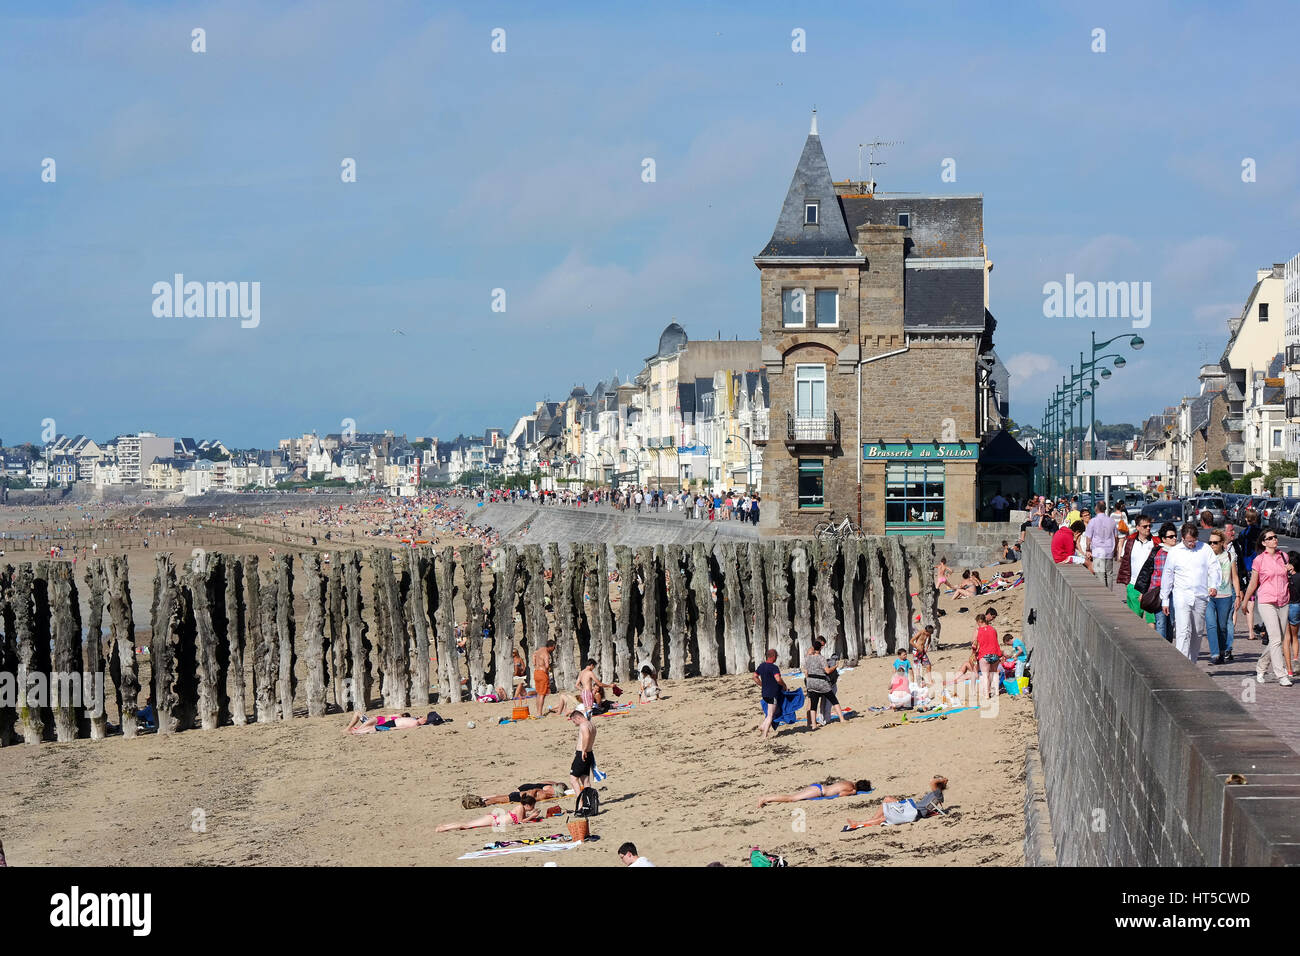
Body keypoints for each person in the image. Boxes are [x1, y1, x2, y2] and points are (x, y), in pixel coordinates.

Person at [1159, 522, 1218, 663]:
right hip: (1181, 595)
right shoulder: (1174, 552)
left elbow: (1214, 568)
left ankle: (1192, 662)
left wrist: (1213, 585)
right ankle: (1182, 664)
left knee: (1197, 632)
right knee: (1183, 631)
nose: (1192, 544)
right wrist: (1165, 599)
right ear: (1183, 538)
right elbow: (1168, 575)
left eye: (1193, 541)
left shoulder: (1205, 549)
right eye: (1188, 541)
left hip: (1200, 596)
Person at [1241, 529, 1293, 686]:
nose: (1274, 540)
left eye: (1275, 537)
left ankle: (1261, 667)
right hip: (1266, 600)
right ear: (1264, 542)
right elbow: (1253, 583)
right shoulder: (1259, 560)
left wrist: (1290, 569)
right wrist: (1244, 601)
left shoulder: (1283, 556)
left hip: (1283, 600)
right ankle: (1281, 674)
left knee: (1278, 639)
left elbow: (1289, 575)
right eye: (1270, 538)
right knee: (1276, 638)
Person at [845, 776, 948, 828]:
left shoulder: (938, 794)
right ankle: (871, 820)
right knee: (887, 799)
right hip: (911, 807)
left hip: (913, 812)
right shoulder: (936, 793)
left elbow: (932, 782)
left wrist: (942, 780)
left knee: (885, 818)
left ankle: (859, 823)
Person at [1205, 529, 1241, 667]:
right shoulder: (1206, 556)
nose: (1212, 545)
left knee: (1222, 626)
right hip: (1209, 596)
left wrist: (1237, 595)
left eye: (1215, 542)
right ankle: (1214, 653)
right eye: (1210, 542)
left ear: (1221, 543)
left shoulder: (1229, 556)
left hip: (1225, 595)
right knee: (1211, 624)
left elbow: (1235, 577)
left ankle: (1221, 651)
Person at [436, 793, 544, 831]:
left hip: (495, 819)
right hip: (494, 820)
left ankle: (445, 826)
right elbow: (521, 821)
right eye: (532, 806)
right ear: (527, 805)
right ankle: (443, 828)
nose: (533, 807)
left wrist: (531, 815)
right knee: (466, 825)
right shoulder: (520, 808)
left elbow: (520, 819)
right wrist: (532, 816)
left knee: (467, 824)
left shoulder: (521, 808)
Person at [802, 637, 846, 729]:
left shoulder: (808, 658)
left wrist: (809, 681)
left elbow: (806, 671)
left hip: (811, 681)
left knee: (813, 704)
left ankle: (813, 724)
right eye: (822, 645)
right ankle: (842, 719)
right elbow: (827, 671)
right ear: (819, 644)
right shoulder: (819, 656)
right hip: (821, 682)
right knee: (833, 700)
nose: (823, 646)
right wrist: (835, 666)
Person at [1117, 515, 1156, 616]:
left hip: (1150, 587)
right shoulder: (1129, 543)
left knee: (1151, 621)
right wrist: (1127, 584)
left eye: (1149, 526)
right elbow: (1125, 563)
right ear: (1137, 527)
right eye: (1145, 526)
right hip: (1133, 585)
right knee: (1135, 619)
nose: (1148, 528)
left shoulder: (1155, 543)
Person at [757, 778, 873, 808]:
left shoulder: (848, 782)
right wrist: (852, 793)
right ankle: (765, 799)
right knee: (791, 798)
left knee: (792, 797)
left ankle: (767, 798)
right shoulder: (850, 789)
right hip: (819, 791)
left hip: (818, 787)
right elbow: (841, 795)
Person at [754, 648, 787, 740]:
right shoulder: (774, 668)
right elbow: (778, 679)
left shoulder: (761, 666)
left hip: (765, 693)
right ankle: (764, 735)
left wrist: (762, 684)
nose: (776, 658)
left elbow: (755, 677)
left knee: (770, 712)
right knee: (770, 715)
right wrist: (784, 685)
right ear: (773, 657)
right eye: (776, 656)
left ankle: (762, 726)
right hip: (773, 694)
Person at [1084, 503, 1119, 589]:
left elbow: (1088, 538)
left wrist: (1088, 549)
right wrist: (1115, 550)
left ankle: (1104, 593)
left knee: (1100, 574)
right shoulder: (1111, 521)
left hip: (1097, 551)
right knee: (1109, 574)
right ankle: (1110, 593)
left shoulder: (1093, 521)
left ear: (1096, 509)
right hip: (1109, 550)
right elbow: (1116, 537)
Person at [462, 782, 568, 808]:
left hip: (518, 796)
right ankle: (478, 802)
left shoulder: (545, 793)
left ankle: (478, 802)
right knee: (496, 799)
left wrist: (527, 797)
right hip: (519, 796)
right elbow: (532, 792)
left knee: (496, 799)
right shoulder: (545, 793)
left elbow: (532, 792)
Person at [568, 708, 598, 794]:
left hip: (582, 753)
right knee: (585, 780)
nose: (575, 724)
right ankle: (588, 801)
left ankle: (580, 802)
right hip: (589, 753)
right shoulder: (591, 724)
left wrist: (583, 750)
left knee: (573, 779)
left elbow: (586, 737)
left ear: (577, 718)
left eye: (574, 721)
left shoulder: (584, 725)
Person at [975, 607, 1002, 700]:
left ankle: (987, 694)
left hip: (984, 654)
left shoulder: (978, 631)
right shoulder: (993, 629)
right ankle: (997, 692)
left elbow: (974, 645)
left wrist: (974, 654)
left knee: (985, 675)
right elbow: (996, 642)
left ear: (979, 622)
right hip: (995, 653)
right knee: (994, 673)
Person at [532, 639, 556, 718]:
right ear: (551, 646)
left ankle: (538, 711)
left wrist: (535, 664)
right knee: (542, 694)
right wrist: (549, 667)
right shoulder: (546, 654)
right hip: (542, 674)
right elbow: (546, 665)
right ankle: (539, 713)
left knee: (538, 693)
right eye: (554, 647)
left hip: (536, 672)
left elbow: (534, 656)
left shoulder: (539, 650)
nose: (554, 649)